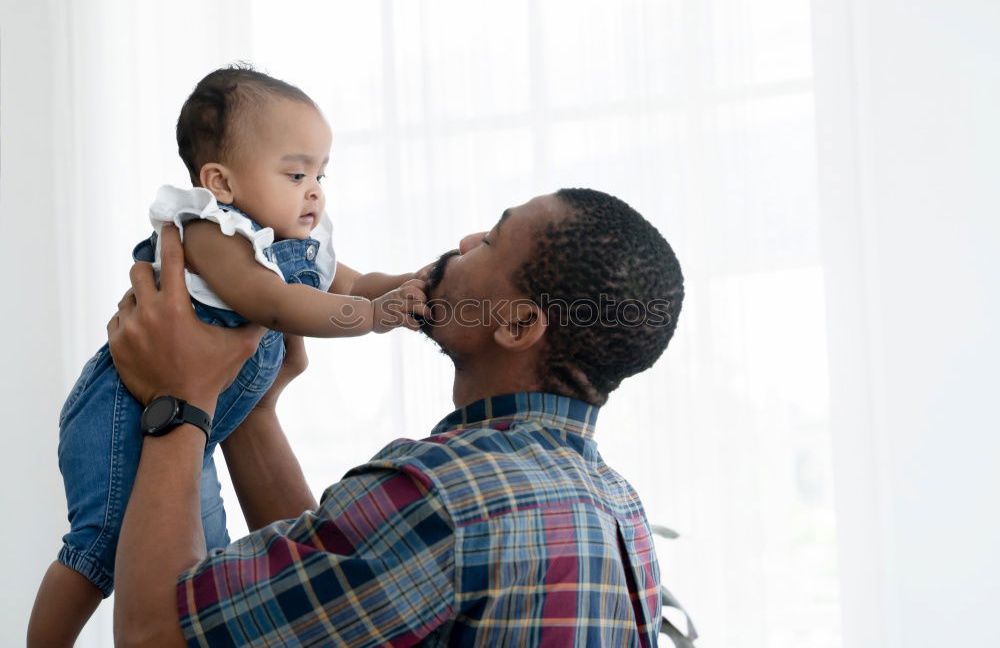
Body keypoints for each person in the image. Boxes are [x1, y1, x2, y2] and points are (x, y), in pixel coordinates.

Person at [107, 187, 685, 646]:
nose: (464, 239)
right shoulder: (618, 509)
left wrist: (180, 400)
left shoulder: (446, 496)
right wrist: (252, 408)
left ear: (516, 325)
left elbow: (155, 634)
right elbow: (338, 589)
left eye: (491, 241)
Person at [28, 66, 428, 647]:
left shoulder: (294, 243)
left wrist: (405, 284)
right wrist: (371, 319)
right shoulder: (212, 231)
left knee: (197, 564)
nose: (314, 189)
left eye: (320, 173)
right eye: (295, 173)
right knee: (100, 543)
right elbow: (270, 302)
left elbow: (354, 280)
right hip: (126, 406)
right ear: (220, 181)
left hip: (200, 420)